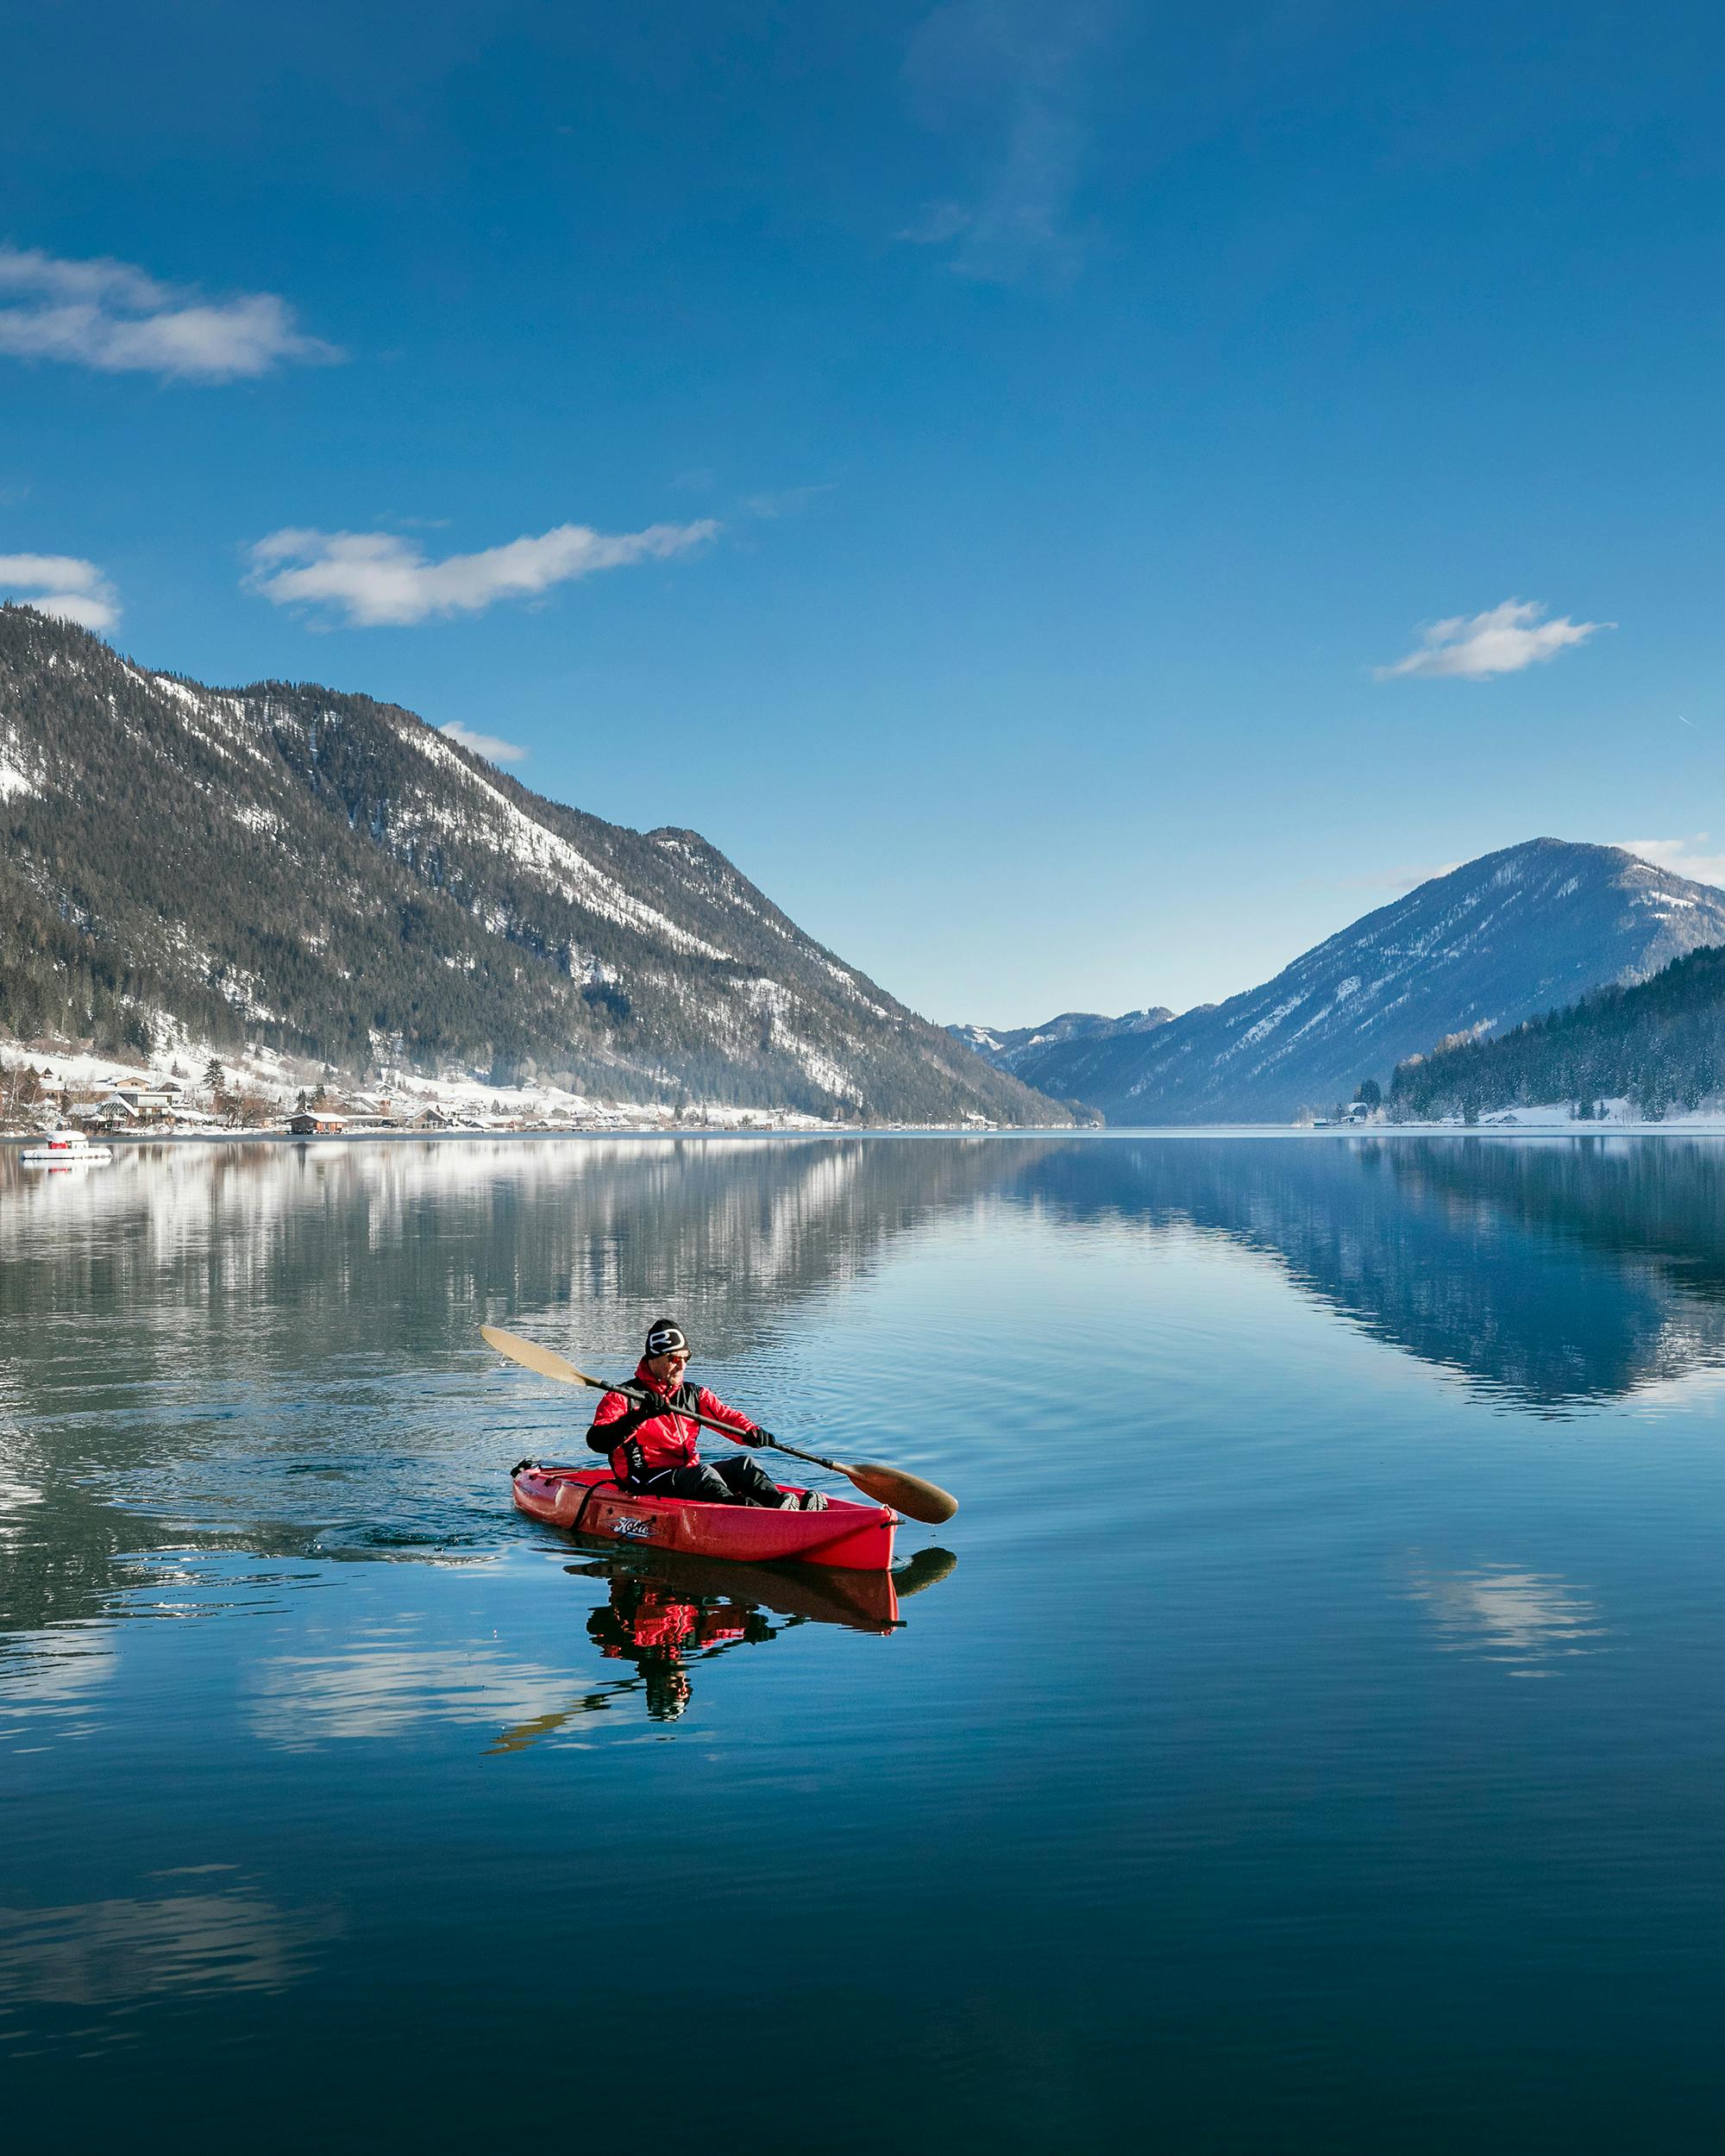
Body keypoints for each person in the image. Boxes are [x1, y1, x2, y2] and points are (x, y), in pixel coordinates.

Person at [586, 1319, 827, 1510]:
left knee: (744, 1464)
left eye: (686, 1357)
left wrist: (752, 1433)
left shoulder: (694, 1394)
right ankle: (751, 1513)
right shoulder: (622, 1396)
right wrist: (639, 1416)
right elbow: (597, 1441)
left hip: (687, 1473)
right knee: (702, 1475)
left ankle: (778, 1503)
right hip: (644, 1478)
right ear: (653, 1359)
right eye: (674, 1359)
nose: (682, 1365)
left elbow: (726, 1417)